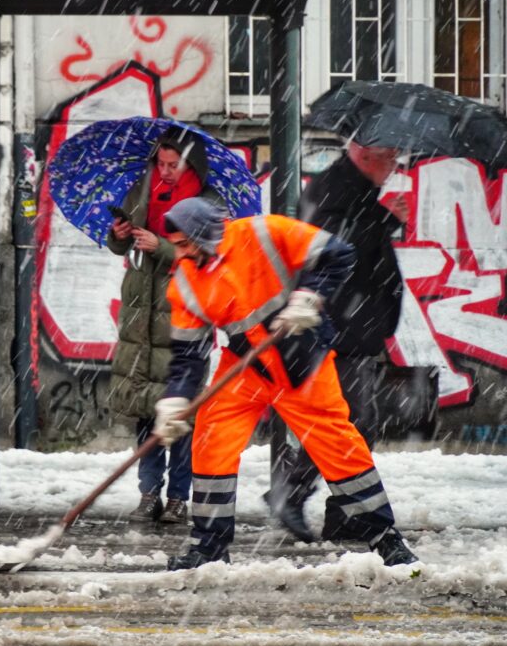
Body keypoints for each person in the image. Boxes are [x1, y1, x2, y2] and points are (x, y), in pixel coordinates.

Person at [152, 197, 418, 570]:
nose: (179, 254)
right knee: (211, 439)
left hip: (302, 361)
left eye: (184, 244)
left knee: (338, 447)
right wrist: (175, 401)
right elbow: (188, 356)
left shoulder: (264, 232)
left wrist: (308, 297)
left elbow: (338, 254)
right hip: (246, 367)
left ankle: (386, 539)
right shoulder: (185, 281)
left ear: (203, 234)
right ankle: (208, 548)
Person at [264, 139, 409, 543]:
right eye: (390, 157)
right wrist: (383, 219)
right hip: (340, 326)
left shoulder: (350, 188)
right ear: (364, 155)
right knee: (351, 423)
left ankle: (340, 515)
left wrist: (383, 218)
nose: (394, 166)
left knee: (350, 424)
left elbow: (355, 239)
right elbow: (337, 251)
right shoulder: (337, 189)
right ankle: (299, 495)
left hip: (351, 325)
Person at [105, 131, 222, 526]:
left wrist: (165, 248)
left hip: (183, 319)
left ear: (192, 166)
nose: (167, 173)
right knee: (144, 410)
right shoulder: (141, 191)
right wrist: (119, 236)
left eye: (175, 166)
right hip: (140, 319)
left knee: (180, 416)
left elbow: (212, 257)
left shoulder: (209, 203)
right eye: (162, 164)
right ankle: (148, 493)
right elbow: (121, 246)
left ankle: (178, 497)